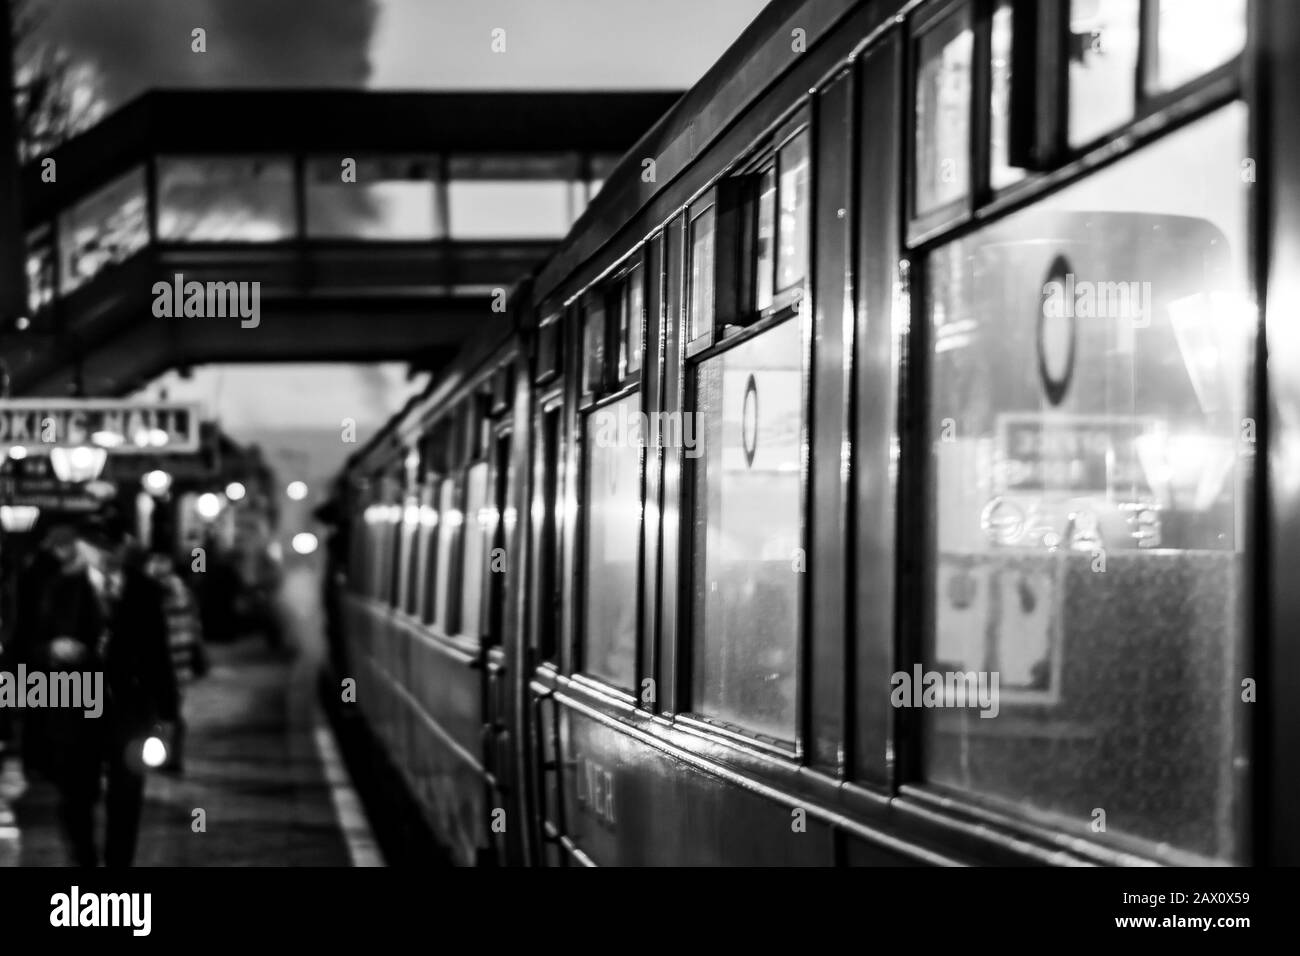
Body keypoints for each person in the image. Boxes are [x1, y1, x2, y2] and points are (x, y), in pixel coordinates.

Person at [10, 525, 109, 865]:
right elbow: (26, 641)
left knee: (93, 792)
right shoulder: (53, 586)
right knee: (76, 792)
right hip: (71, 699)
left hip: (105, 701)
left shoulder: (105, 588)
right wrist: (52, 649)